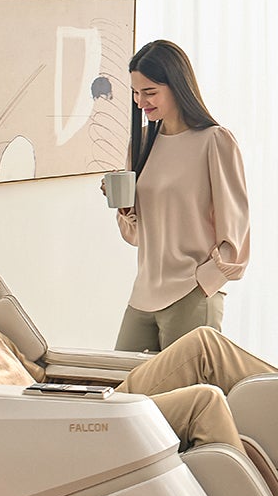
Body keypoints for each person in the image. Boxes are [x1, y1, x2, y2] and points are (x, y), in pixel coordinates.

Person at [0, 252, 278, 454]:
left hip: (84, 410)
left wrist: (91, 394)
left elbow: (42, 382)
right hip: (71, 437)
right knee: (205, 400)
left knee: (203, 342)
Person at [107, 40, 249, 352]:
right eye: (135, 92)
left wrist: (205, 281)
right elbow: (136, 236)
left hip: (191, 293)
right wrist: (123, 206)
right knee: (122, 390)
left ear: (177, 85)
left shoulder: (214, 141)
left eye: (150, 92)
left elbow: (235, 227)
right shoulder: (141, 143)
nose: (140, 101)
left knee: (184, 397)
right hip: (143, 292)